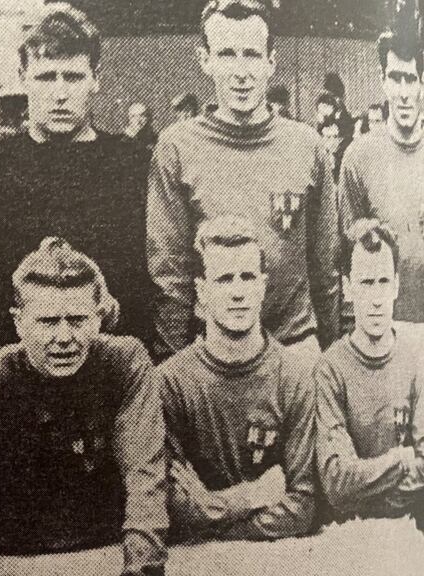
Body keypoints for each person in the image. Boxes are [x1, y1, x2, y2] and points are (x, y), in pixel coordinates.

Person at [0, 5, 155, 371]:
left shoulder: (133, 166)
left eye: (73, 77)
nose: (59, 93)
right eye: (46, 77)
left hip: (109, 378)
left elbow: (152, 280)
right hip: (10, 386)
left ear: (96, 78)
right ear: (23, 77)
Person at [0, 238, 168, 576]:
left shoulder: (125, 364)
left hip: (107, 550)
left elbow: (145, 483)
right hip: (8, 558)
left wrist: (141, 571)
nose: (64, 337)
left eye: (77, 320)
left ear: (98, 318)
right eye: (48, 322)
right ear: (19, 323)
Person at [148, 0, 341, 361]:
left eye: (251, 55)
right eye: (227, 54)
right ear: (205, 59)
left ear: (271, 61)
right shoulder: (176, 147)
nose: (241, 72)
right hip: (215, 357)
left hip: (294, 351)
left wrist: (332, 362)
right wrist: (172, 369)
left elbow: (325, 270)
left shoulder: (307, 146)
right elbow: (170, 276)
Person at [158, 217, 317, 542]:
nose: (238, 293)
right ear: (201, 291)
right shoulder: (169, 383)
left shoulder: (295, 376)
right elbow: (169, 506)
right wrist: (253, 495)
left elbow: (303, 505)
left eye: (247, 277)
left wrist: (209, 513)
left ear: (263, 284)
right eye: (224, 279)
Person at [316, 219, 424, 525]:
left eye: (383, 282)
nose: (376, 299)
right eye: (365, 283)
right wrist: (401, 459)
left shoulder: (416, 356)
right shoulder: (330, 368)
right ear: (348, 288)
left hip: (407, 525)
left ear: (397, 285)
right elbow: (337, 482)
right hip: (349, 530)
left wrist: (372, 483)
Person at [341, 26, 424, 323]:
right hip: (385, 336)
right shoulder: (358, 158)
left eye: (411, 79)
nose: (403, 93)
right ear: (382, 81)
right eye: (395, 78)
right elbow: (349, 260)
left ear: (423, 83)